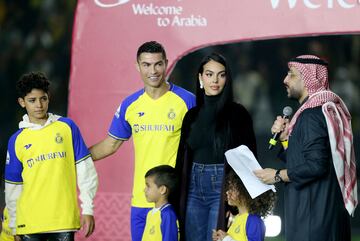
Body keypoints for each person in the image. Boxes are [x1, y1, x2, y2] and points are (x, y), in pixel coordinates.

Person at [89, 41, 195, 241]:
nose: (153, 70)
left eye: (158, 64)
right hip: (141, 199)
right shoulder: (130, 105)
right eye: (146, 65)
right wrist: (75, 158)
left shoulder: (186, 101)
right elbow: (110, 145)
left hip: (174, 200)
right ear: (137, 66)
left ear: (166, 64)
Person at [254, 55, 357, 241]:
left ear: (309, 79)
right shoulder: (320, 112)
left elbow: (316, 165)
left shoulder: (311, 116)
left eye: (291, 74)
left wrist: (277, 175)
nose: (285, 80)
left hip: (314, 222)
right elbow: (304, 160)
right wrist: (285, 140)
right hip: (323, 218)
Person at [4, 72, 98, 241]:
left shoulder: (67, 127)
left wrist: (88, 209)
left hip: (63, 220)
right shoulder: (16, 140)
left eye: (43, 98)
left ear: (49, 98)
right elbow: (13, 186)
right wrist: (13, 224)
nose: (39, 105)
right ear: (22, 102)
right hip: (29, 223)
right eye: (32, 100)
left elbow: (86, 170)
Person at [175, 53, 257, 241]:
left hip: (223, 187)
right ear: (200, 77)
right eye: (210, 74)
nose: (215, 80)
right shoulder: (191, 115)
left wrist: (238, 203)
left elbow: (250, 158)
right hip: (193, 187)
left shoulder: (238, 114)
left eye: (221, 75)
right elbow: (182, 159)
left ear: (227, 78)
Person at [212, 170, 275, 241]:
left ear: (245, 193)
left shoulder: (254, 221)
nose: (227, 192)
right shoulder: (237, 218)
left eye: (233, 189)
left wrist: (226, 238)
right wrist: (221, 239)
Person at [142, 165, 179, 241]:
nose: (144, 190)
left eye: (148, 186)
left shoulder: (167, 214)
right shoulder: (150, 213)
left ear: (162, 189)